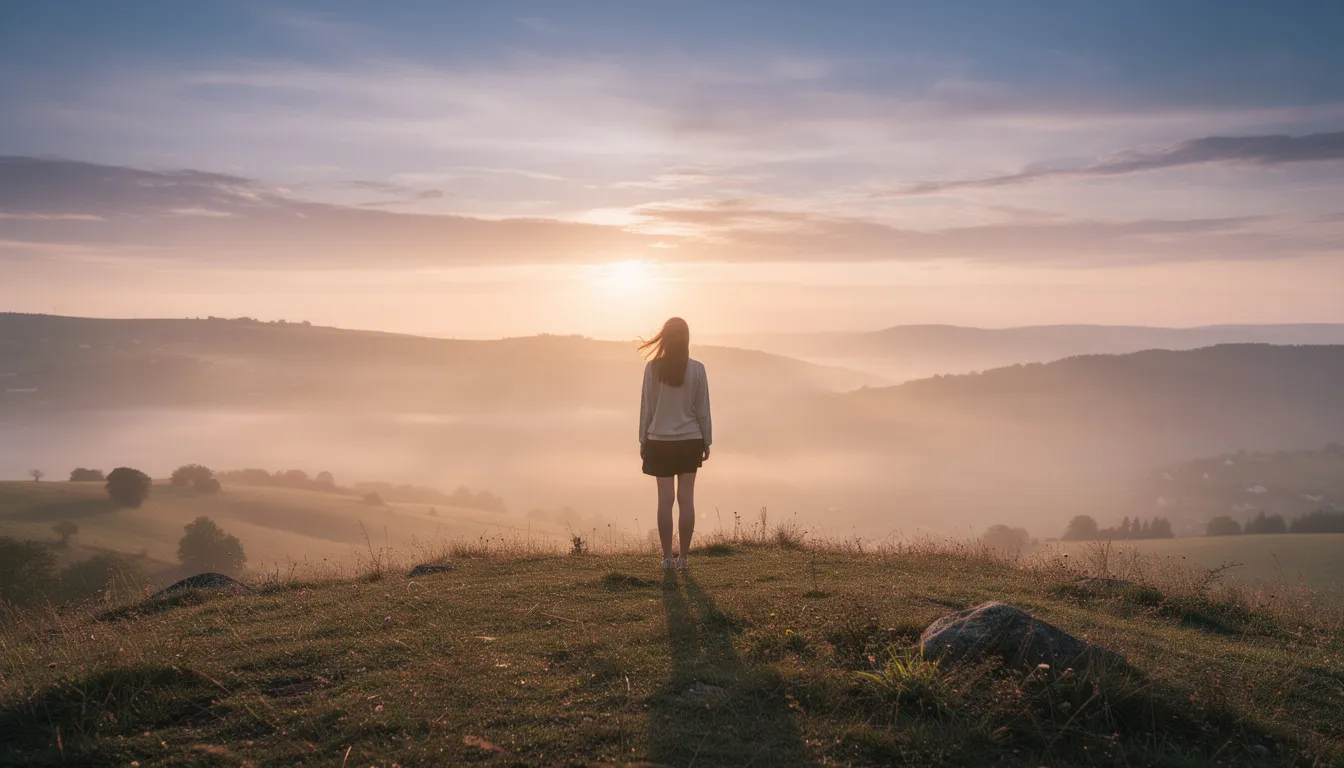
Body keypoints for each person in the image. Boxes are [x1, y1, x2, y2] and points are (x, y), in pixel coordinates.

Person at [638, 317, 712, 571]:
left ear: (664, 339)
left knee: (665, 501)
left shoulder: (653, 369)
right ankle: (684, 559)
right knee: (686, 500)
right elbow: (702, 409)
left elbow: (647, 408)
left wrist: (643, 439)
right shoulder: (698, 369)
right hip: (690, 439)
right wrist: (707, 440)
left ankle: (667, 558)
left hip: (659, 440)